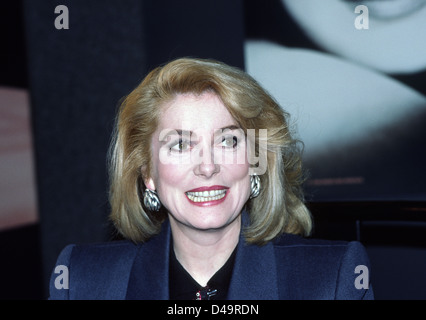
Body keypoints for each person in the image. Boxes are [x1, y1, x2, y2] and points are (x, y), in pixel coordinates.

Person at [49, 57, 373, 300]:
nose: (207, 167)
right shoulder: (80, 281)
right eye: (180, 144)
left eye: (228, 141)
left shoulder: (334, 279)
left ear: (256, 162)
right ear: (147, 172)